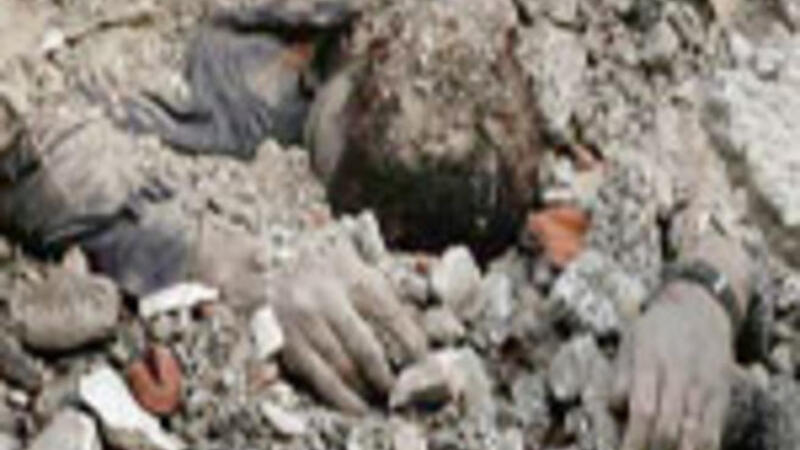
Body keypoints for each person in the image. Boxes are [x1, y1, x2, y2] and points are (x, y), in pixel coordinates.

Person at [0, 2, 771, 450]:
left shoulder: (593, 39)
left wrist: (703, 290)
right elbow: (28, 125)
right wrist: (232, 261)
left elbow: (706, 158)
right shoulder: (230, 71)